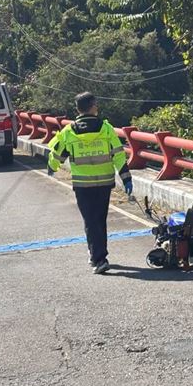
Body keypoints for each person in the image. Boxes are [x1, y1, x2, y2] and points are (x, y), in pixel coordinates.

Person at [47, 92, 133, 274]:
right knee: (99, 219)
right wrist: (126, 178)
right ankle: (98, 253)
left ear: (77, 109)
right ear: (93, 106)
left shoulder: (68, 132)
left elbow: (57, 155)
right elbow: (118, 155)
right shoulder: (106, 128)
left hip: (82, 185)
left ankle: (98, 258)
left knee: (90, 220)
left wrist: (52, 168)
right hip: (104, 182)